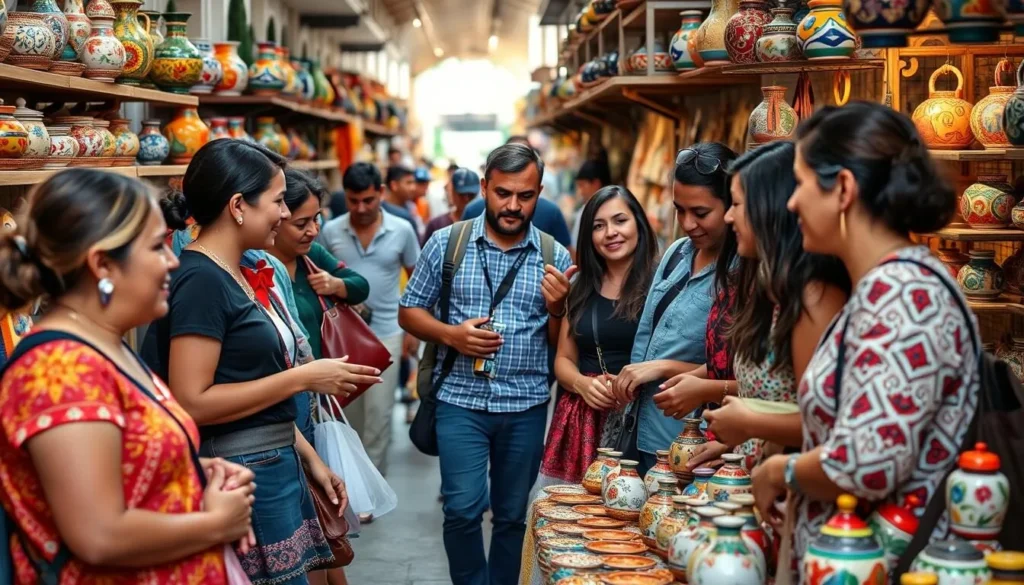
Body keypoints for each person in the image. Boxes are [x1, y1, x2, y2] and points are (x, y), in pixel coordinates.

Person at [750, 103, 979, 575]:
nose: (791, 203)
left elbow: (864, 461)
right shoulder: (884, 287)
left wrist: (780, 471)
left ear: (844, 190)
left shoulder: (903, 294)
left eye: (802, 183)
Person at [0, 169, 256, 584]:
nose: (174, 259)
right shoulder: (61, 371)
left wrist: (189, 470)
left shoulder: (107, 347)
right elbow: (98, 534)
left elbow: (120, 459)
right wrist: (216, 523)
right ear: (102, 263)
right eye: (157, 246)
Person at [144, 140, 382, 585]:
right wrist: (301, 378)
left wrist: (309, 456)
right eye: (276, 202)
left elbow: (248, 381)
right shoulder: (202, 280)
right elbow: (192, 400)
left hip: (271, 463)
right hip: (242, 471)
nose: (284, 214)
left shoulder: (237, 269)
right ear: (238, 206)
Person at [399, 144, 574, 585]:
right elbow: (410, 311)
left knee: (513, 516)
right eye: (503, 193)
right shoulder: (447, 243)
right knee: (461, 509)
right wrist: (450, 335)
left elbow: (562, 347)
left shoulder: (556, 258)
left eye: (526, 195)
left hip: (526, 406)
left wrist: (558, 310)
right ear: (484, 188)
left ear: (539, 194)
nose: (513, 206)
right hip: (460, 402)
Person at [686, 142, 850, 473]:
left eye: (736, 204)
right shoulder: (768, 285)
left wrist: (749, 424)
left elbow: (824, 423)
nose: (729, 216)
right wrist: (733, 444)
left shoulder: (814, 297)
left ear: (770, 208)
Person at [611, 143, 738, 476]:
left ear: (733, 205)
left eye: (700, 212)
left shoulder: (743, 270)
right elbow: (646, 334)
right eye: (679, 210)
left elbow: (742, 369)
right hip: (641, 427)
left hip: (695, 443)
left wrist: (660, 367)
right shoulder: (677, 254)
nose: (687, 223)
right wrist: (634, 377)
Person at [539, 185, 657, 487]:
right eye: (598, 226)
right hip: (585, 421)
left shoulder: (662, 284)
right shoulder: (579, 286)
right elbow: (564, 359)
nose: (610, 233)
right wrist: (582, 384)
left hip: (645, 418)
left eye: (620, 220)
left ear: (638, 224)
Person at [318, 162, 420, 483]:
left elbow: (416, 280)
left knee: (379, 415)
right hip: (343, 337)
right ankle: (351, 484)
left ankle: (372, 485)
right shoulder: (331, 230)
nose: (360, 208)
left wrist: (413, 332)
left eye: (368, 200)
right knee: (349, 415)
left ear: (381, 193)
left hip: (388, 332)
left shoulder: (402, 230)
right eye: (353, 201)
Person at [269, 169, 370, 360]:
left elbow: (361, 287)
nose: (314, 231)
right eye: (301, 224)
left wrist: (336, 284)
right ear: (275, 220)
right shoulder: (256, 268)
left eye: (316, 219)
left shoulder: (311, 255)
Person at [423, 167, 480, 245]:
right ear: (452, 191)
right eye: (461, 194)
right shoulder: (437, 224)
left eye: (471, 194)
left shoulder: (485, 225)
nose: (466, 199)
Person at [570, 160, 611, 250]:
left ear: (596, 184)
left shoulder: (587, 211)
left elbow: (576, 248)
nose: (580, 191)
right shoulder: (584, 210)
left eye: (582, 185)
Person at [385, 165, 424, 238]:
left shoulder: (411, 207)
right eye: (408, 183)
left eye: (414, 183)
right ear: (394, 185)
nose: (413, 188)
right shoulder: (382, 211)